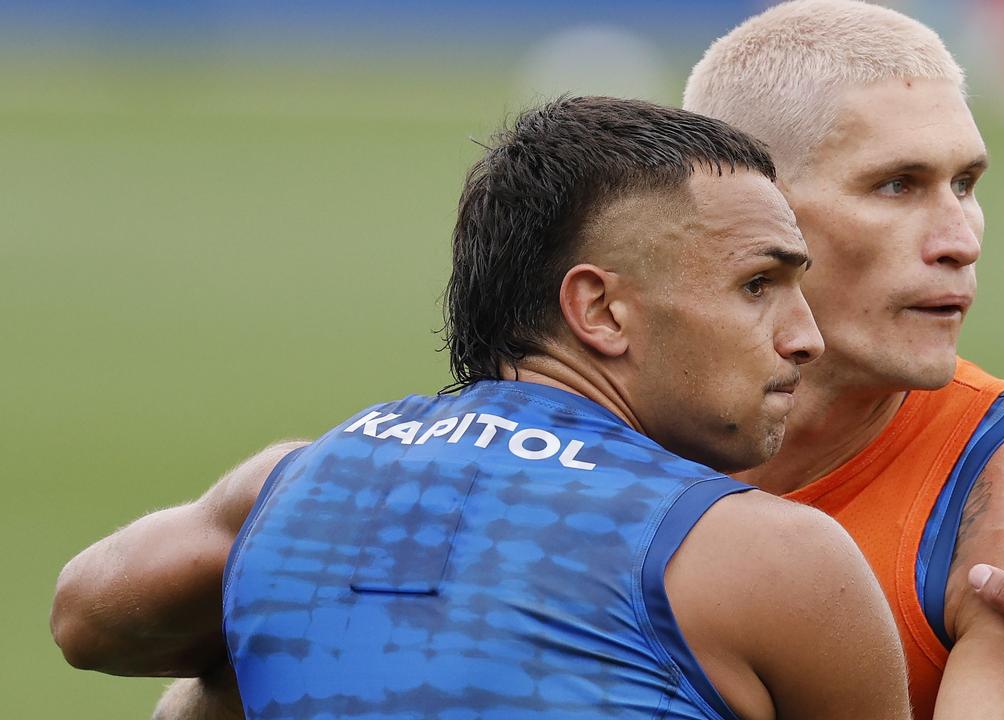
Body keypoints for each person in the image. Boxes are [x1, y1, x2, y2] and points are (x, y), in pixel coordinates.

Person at [52, 95, 912, 720]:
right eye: (758, 285)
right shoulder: (771, 559)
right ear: (601, 311)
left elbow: (87, 620)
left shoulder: (294, 484)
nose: (806, 337)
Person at [682, 2, 1004, 719]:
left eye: (965, 184)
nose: (959, 240)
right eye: (897, 185)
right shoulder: (579, 428)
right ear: (750, 211)